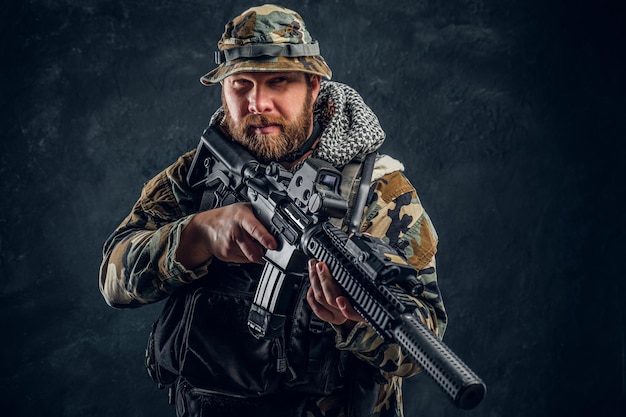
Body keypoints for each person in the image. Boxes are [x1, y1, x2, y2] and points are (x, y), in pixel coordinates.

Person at [99, 4, 447, 417]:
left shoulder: (381, 194)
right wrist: (196, 235)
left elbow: (421, 346)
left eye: (278, 82)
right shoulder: (201, 172)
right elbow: (113, 280)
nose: (257, 103)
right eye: (240, 85)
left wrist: (354, 321)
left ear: (313, 86)